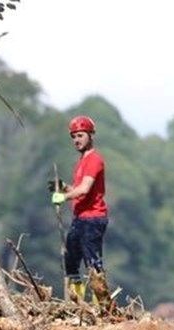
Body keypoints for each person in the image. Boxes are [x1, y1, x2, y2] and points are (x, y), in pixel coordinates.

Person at [51, 115, 111, 305]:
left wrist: (63, 197)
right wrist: (64, 188)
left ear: (91, 135)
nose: (76, 140)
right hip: (80, 218)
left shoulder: (94, 160)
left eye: (80, 135)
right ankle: (76, 303)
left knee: (93, 264)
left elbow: (84, 189)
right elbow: (78, 190)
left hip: (93, 218)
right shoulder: (81, 161)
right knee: (70, 261)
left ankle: (101, 305)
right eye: (74, 136)